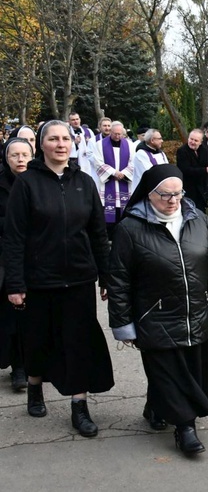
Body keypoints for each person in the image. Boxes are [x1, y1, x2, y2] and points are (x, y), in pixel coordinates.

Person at [108, 164, 208, 456]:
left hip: (195, 313)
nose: (173, 200)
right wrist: (122, 321)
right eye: (165, 195)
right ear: (149, 195)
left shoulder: (197, 219)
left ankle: (156, 405)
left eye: (178, 194)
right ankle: (185, 427)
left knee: (190, 371)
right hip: (153, 315)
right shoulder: (130, 228)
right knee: (169, 372)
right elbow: (118, 280)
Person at [3, 120, 113, 437]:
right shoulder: (27, 184)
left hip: (78, 279)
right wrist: (15, 284)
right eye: (53, 138)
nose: (61, 144)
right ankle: (35, 387)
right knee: (38, 340)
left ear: (73, 143)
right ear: (42, 145)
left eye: (66, 138)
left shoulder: (84, 182)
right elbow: (14, 238)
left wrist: (106, 276)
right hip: (39, 279)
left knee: (77, 343)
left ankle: (80, 406)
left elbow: (97, 233)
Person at [0, 138, 33, 392]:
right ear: (6, 158)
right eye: (15, 155)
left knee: (29, 317)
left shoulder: (39, 181)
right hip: (5, 257)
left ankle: (25, 365)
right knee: (9, 315)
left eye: (25, 154)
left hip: (35, 257)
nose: (20, 160)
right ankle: (16, 366)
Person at [91, 121, 137, 239]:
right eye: (115, 133)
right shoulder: (100, 145)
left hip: (123, 183)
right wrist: (113, 173)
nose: (117, 136)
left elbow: (133, 162)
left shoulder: (130, 145)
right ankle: (109, 237)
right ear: (110, 132)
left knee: (123, 213)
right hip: (108, 184)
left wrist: (124, 173)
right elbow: (97, 162)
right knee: (108, 214)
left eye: (120, 134)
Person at [176, 128, 208, 213]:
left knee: (201, 214)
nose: (192, 142)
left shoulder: (203, 150)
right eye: (191, 139)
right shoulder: (182, 151)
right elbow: (185, 170)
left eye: (196, 140)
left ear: (201, 142)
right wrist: (205, 170)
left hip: (201, 190)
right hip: (188, 188)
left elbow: (205, 163)